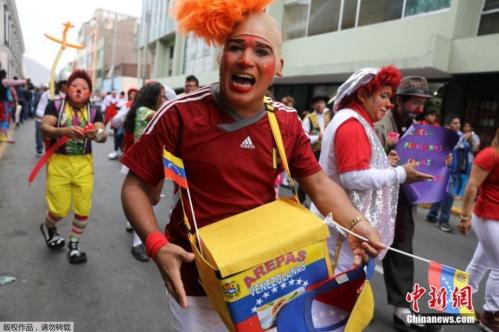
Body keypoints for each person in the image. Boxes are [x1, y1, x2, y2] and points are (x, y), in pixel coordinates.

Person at [121, 1, 384, 330]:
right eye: (235, 47)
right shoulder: (179, 115)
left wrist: (356, 223)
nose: (246, 59)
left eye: (261, 51)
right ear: (221, 57)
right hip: (195, 282)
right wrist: (156, 245)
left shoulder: (286, 122)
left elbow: (317, 182)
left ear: (279, 65)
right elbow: (135, 186)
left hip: (265, 278)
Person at [311, 67, 432, 275]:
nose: (389, 104)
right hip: (342, 229)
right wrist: (401, 174)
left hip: (342, 224)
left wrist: (385, 163)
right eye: (384, 96)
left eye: (391, 97)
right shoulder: (352, 124)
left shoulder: (353, 120)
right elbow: (353, 177)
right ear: (362, 94)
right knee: (334, 296)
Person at [376, 75, 443, 332]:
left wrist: (438, 162)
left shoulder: (419, 127)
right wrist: (386, 159)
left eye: (423, 103)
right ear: (399, 99)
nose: (420, 109)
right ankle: (346, 299)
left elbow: (424, 158)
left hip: (404, 199)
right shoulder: (381, 122)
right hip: (377, 197)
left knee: (402, 249)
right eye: (416, 103)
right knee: (364, 246)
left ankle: (403, 311)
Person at [40, 69, 107, 264]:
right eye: (75, 86)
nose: (79, 90)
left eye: (84, 87)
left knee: (83, 208)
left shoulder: (94, 111)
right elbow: (45, 127)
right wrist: (64, 131)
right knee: (59, 209)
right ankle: (48, 226)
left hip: (84, 164)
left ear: (89, 92)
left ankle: (74, 244)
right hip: (59, 163)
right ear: (67, 88)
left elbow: (102, 133)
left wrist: (98, 134)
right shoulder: (56, 105)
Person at [458, 128, 499, 332]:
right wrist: (465, 216)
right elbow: (472, 186)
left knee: (481, 263)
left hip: (495, 217)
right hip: (487, 215)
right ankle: (491, 316)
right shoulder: (490, 154)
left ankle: (458, 302)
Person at [123, 82, 166, 261]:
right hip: (145, 162)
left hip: (156, 160)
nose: (163, 99)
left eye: (164, 95)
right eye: (161, 95)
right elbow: (163, 117)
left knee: (152, 199)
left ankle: (134, 221)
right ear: (152, 96)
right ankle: (137, 243)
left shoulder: (144, 110)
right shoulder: (143, 111)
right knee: (147, 199)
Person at [426, 117, 464, 232]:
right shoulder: (445, 136)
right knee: (450, 195)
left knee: (442, 192)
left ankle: (432, 214)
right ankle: (443, 221)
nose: (458, 125)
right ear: (449, 124)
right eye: (455, 123)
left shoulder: (461, 137)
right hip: (445, 168)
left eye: (459, 123)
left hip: (454, 170)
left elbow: (467, 148)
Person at [35, 81, 67, 155]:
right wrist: (47, 117)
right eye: (65, 84)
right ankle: (40, 148)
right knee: (41, 134)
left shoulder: (68, 96)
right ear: (61, 85)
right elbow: (40, 109)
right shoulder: (47, 94)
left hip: (60, 123)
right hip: (43, 119)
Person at [0, 71, 25, 142]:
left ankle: (2, 134)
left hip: (2, 102)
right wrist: (24, 81)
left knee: (2, 118)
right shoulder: (4, 81)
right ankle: (3, 135)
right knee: (5, 118)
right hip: (4, 102)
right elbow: (15, 82)